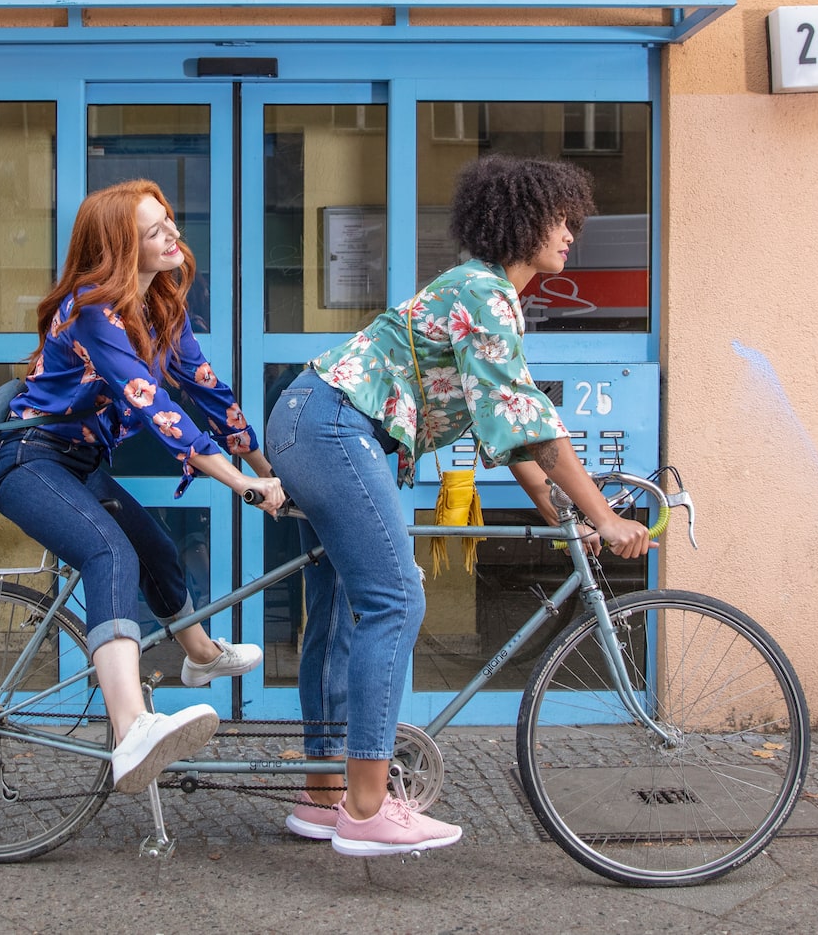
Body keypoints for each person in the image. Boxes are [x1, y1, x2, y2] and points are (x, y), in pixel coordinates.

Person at [264, 154, 656, 857]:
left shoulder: (480, 296)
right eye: (559, 218)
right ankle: (366, 807)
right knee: (396, 600)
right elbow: (530, 424)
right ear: (519, 219)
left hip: (306, 418)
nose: (571, 232)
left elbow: (508, 431)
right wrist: (602, 513)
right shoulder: (485, 294)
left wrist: (556, 513)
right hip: (331, 426)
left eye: (575, 219)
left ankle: (325, 794)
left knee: (342, 609)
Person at [0, 180, 287, 795]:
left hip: (78, 464)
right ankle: (129, 731)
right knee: (110, 553)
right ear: (121, 247)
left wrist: (262, 467)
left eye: (169, 221)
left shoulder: (160, 310)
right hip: (29, 459)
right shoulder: (94, 313)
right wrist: (237, 482)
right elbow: (158, 410)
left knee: (155, 550)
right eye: (154, 231)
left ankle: (200, 655)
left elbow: (211, 397)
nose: (172, 234)